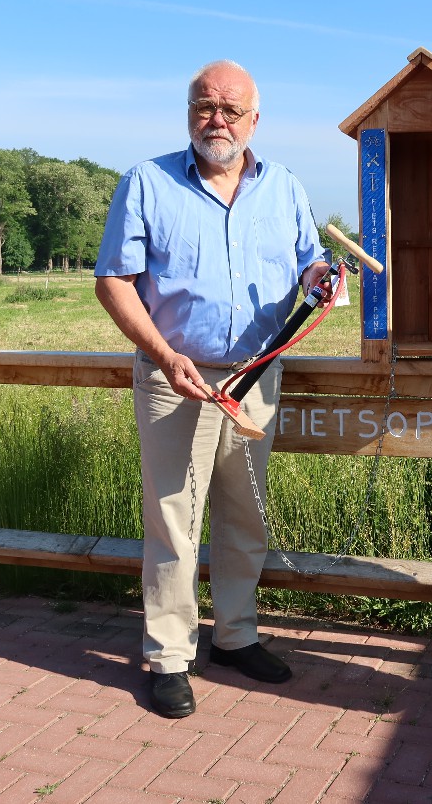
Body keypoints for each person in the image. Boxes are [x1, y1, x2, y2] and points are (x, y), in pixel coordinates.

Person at [94, 60, 329, 720]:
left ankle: (234, 636)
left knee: (243, 512)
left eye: (231, 109)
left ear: (256, 120)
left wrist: (320, 278)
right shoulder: (147, 182)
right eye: (205, 106)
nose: (216, 119)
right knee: (174, 521)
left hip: (256, 377)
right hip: (177, 378)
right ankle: (170, 656)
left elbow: (309, 259)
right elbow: (114, 281)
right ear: (188, 111)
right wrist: (164, 354)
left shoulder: (283, 187)